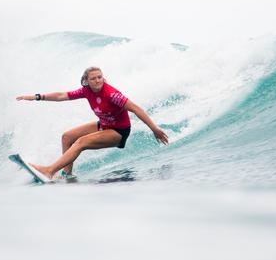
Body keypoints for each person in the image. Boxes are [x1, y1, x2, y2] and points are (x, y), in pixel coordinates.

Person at [16, 66, 169, 180]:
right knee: (67, 137)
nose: (97, 81)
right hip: (104, 124)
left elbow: (136, 109)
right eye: (93, 78)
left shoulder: (111, 94)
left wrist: (154, 129)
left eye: (100, 77)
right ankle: (67, 175)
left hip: (118, 131)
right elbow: (62, 95)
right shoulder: (86, 91)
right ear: (86, 81)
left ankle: (49, 171)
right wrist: (37, 97)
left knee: (81, 142)